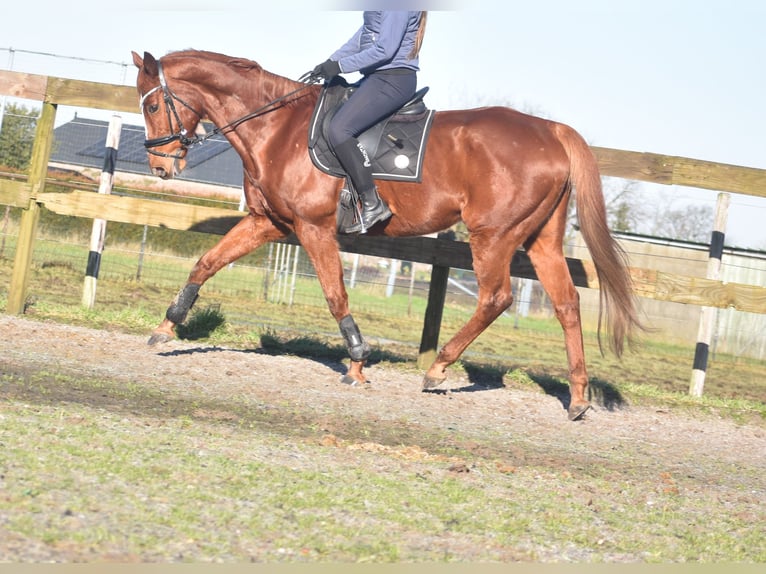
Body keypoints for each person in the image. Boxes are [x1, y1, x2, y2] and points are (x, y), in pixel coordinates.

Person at [307, 11, 427, 234]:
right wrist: (331, 62)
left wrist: (341, 66)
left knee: (340, 129)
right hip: (377, 77)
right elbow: (365, 35)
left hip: (392, 79)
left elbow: (385, 49)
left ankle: (372, 202)